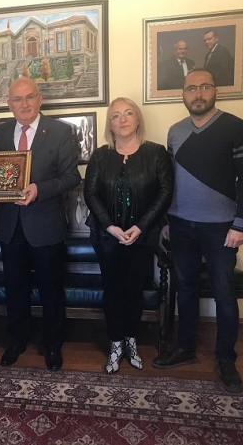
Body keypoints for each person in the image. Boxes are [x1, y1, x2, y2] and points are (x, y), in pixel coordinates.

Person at [152, 69, 243, 394]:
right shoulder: (175, 132)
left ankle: (226, 359)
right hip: (180, 224)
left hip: (222, 228)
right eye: (191, 88)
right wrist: (167, 220)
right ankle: (186, 348)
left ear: (215, 90)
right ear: (183, 94)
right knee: (185, 289)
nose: (197, 93)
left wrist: (240, 223)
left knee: (224, 294)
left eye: (204, 87)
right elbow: (170, 181)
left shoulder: (237, 127)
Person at [0, 77, 81, 371]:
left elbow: (72, 177)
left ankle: (52, 344)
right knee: (14, 287)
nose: (24, 104)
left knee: (50, 288)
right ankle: (17, 340)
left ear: (39, 99)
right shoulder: (0, 131)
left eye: (30, 97)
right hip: (10, 224)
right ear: (9, 104)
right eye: (17, 99)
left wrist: (39, 189)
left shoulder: (59, 131)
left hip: (45, 224)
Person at [84, 97, 173, 374]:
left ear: (138, 120)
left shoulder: (156, 153)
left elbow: (165, 192)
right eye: (115, 115)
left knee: (134, 289)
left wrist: (141, 226)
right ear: (110, 124)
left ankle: (131, 340)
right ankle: (115, 343)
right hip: (106, 236)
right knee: (112, 289)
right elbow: (91, 193)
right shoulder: (100, 155)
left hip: (142, 236)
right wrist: (110, 226)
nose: (122, 119)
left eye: (128, 113)